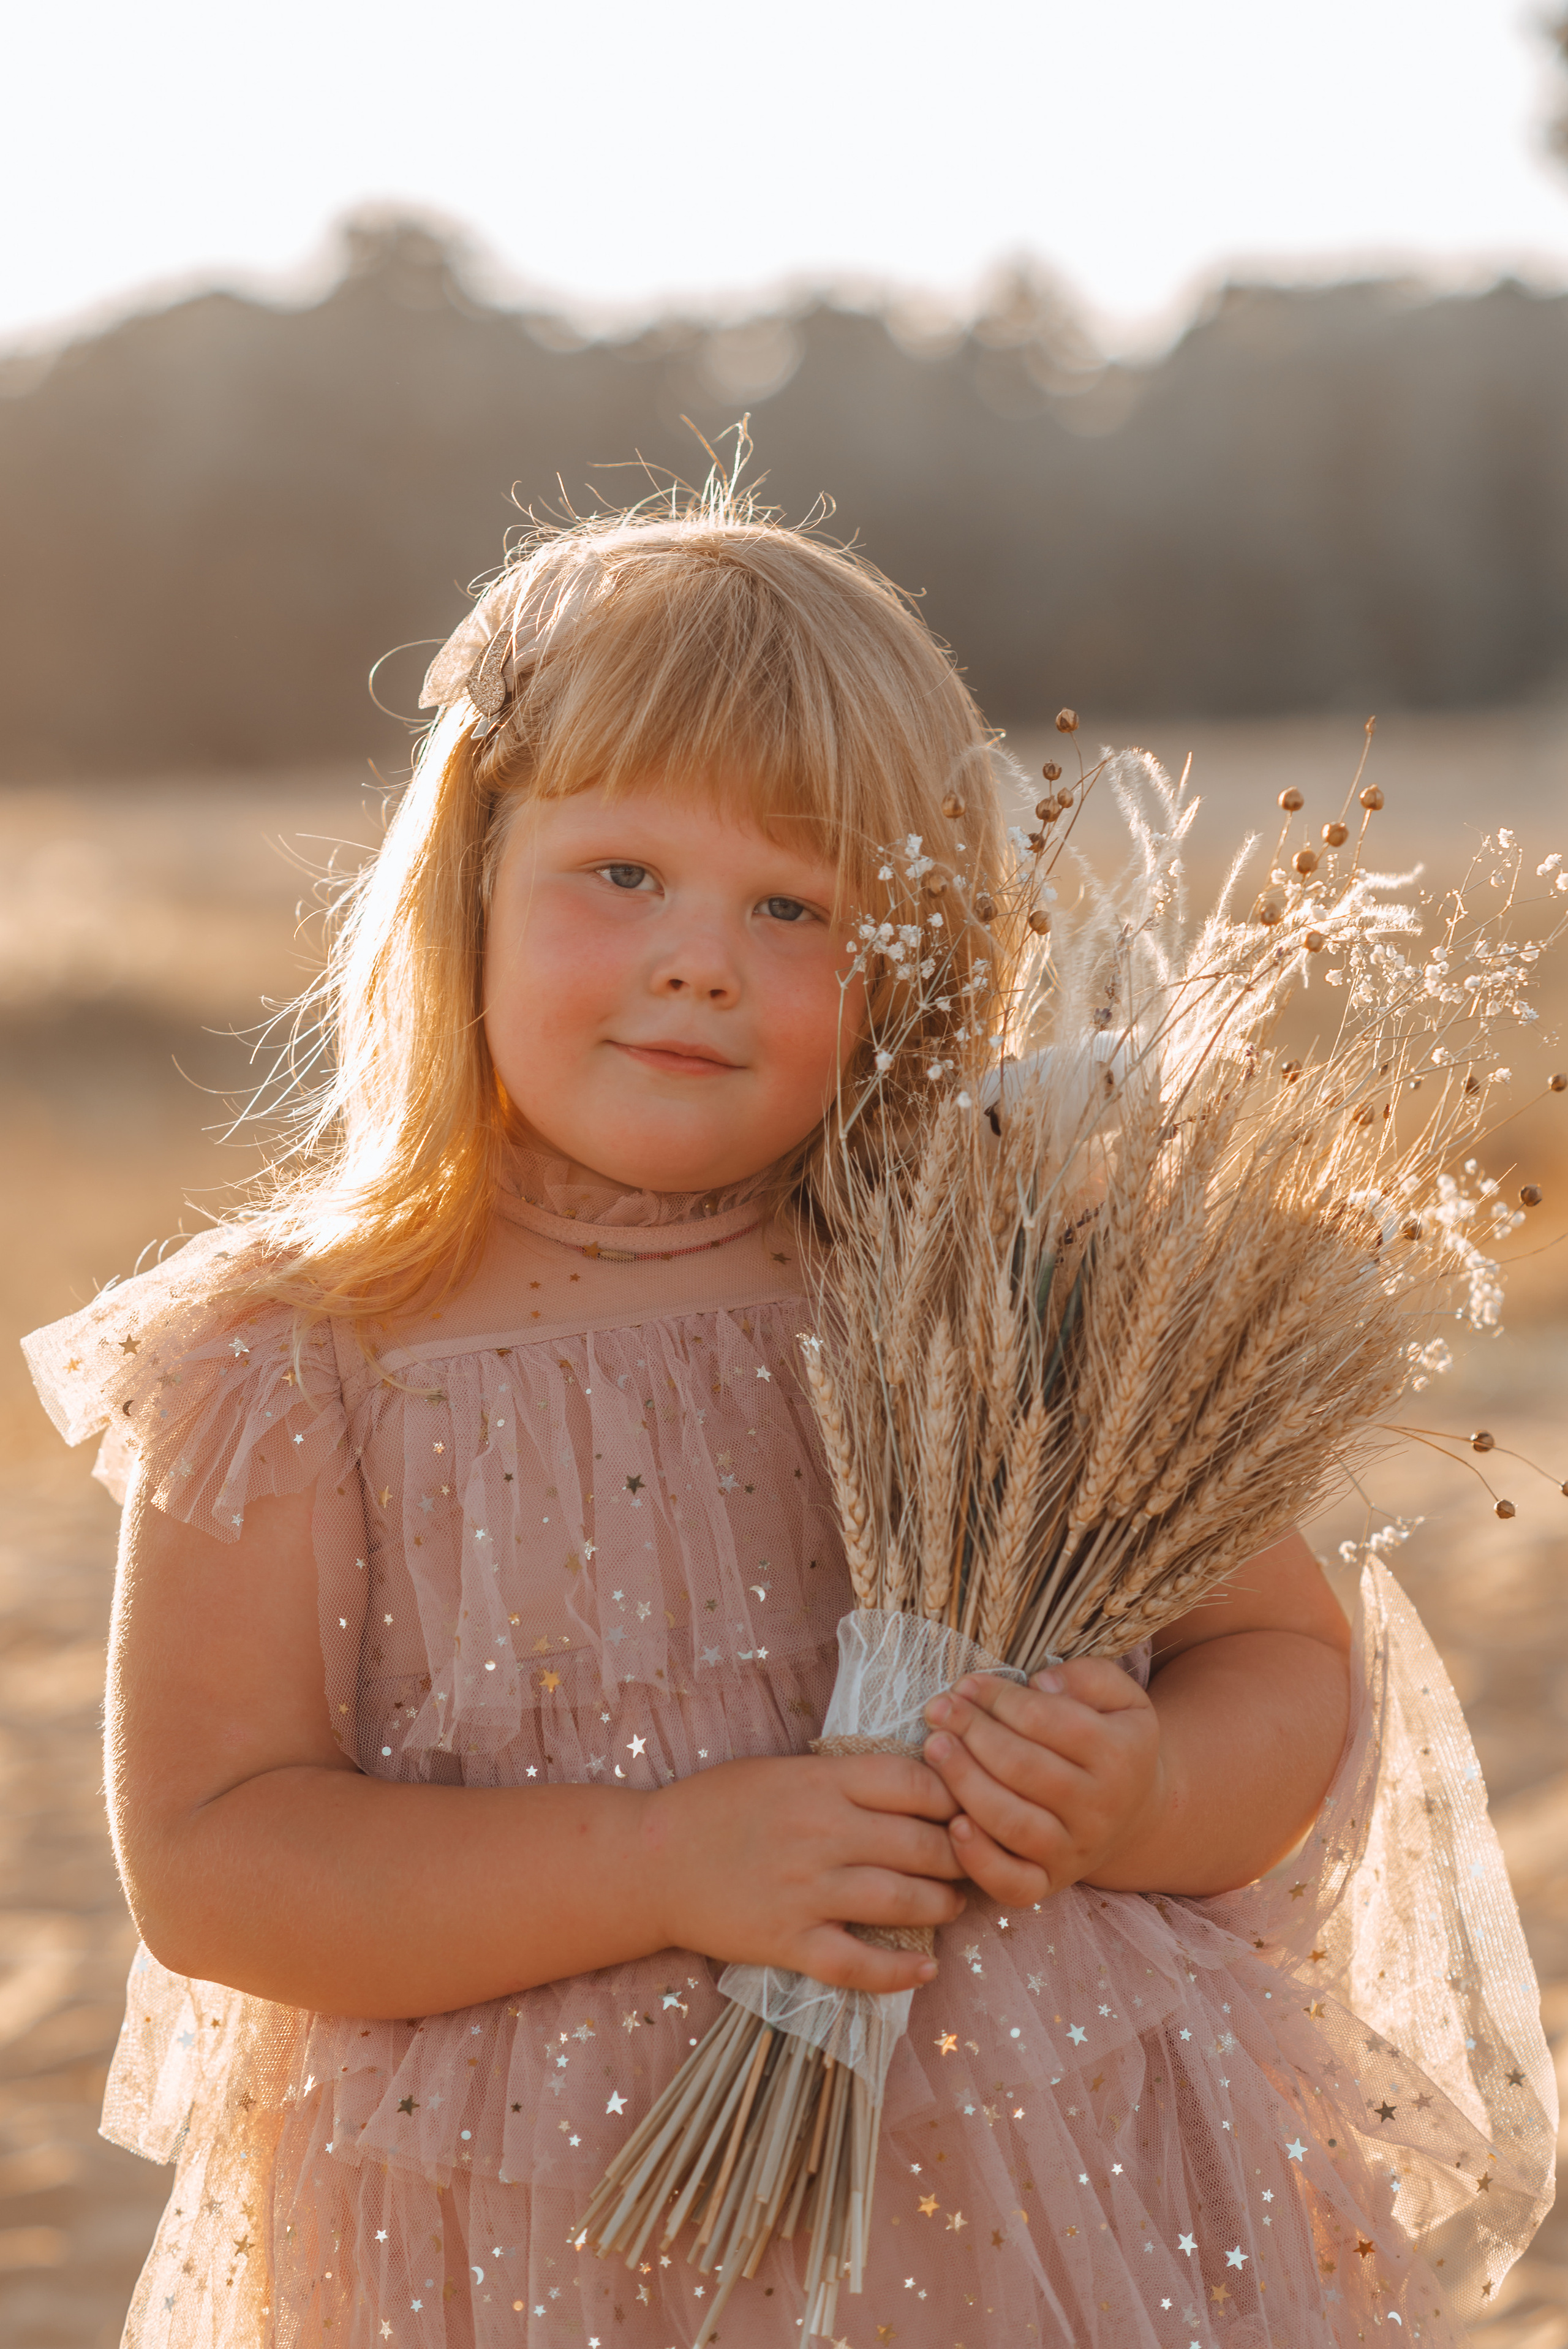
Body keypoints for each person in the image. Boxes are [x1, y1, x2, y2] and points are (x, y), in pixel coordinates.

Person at [24, 496, 1553, 2349]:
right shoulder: (294, 1353)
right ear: (471, 884)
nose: (699, 958)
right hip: (526, 2235)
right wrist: (664, 1859)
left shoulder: (999, 1272)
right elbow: (212, 1858)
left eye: (793, 906)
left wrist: (1137, 1789)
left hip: (1029, 2183)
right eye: (622, 875)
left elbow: (1287, 1681)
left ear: (906, 962)